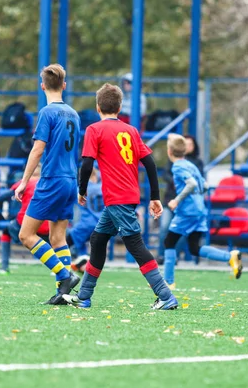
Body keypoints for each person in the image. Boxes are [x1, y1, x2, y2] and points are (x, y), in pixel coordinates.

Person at [64, 83, 177, 310]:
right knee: (97, 240)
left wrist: (82, 189)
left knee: (135, 245)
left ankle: (165, 296)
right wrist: (154, 196)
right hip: (125, 197)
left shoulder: (95, 130)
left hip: (117, 197)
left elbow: (86, 164)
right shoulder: (131, 130)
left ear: (98, 107)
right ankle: (84, 296)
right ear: (120, 106)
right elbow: (150, 163)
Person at [15, 64, 81, 305]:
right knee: (58, 238)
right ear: (64, 86)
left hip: (52, 179)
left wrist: (24, 182)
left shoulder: (47, 113)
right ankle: (63, 293)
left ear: (42, 85)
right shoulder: (74, 114)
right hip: (70, 180)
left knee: (26, 234)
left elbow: (38, 148)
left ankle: (65, 275)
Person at [162, 134, 242, 288]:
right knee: (194, 248)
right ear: (184, 151)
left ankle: (168, 282)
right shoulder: (191, 165)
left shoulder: (178, 166)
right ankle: (230, 257)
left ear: (169, 152)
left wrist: (176, 200)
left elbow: (191, 183)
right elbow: (204, 185)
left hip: (187, 212)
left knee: (169, 242)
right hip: (199, 210)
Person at [0, 166, 49, 274]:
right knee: (55, 240)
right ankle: (60, 269)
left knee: (6, 232)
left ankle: (4, 267)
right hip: (45, 223)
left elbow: (6, 195)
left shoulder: (25, 182)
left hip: (26, 222)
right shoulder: (47, 184)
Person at [159, 135, 204, 262]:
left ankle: (171, 262)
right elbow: (202, 184)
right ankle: (164, 257)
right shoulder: (177, 163)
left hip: (185, 205)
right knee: (165, 229)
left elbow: (194, 183)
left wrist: (178, 200)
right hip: (176, 202)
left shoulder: (185, 165)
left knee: (178, 236)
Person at [66, 169, 102, 271]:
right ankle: (83, 264)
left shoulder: (80, 189)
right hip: (101, 223)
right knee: (93, 245)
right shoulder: (102, 188)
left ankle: (62, 266)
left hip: (86, 223)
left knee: (67, 241)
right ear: (95, 176)